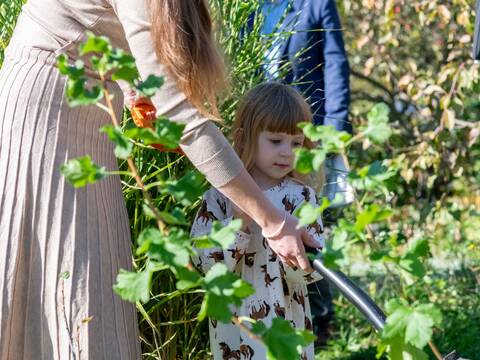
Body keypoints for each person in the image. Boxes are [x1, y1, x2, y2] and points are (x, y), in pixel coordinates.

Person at [0, 1, 321, 359]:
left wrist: (133, 86)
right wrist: (273, 221)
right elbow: (182, 114)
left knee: (90, 279)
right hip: (48, 110)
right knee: (72, 273)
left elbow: (104, 30)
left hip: (85, 112)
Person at [191, 82, 325, 360]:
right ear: (243, 139)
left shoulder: (302, 198)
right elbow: (205, 265)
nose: (287, 152)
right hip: (236, 334)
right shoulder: (220, 198)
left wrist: (299, 257)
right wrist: (238, 226)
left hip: (287, 328)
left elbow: (314, 271)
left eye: (297, 143)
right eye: (276, 141)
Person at [254, 0, 353, 345]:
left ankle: (320, 318)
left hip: (303, 137)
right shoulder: (249, 7)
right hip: (260, 138)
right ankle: (273, 305)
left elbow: (336, 65)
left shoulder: (315, 4)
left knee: (309, 220)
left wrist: (334, 133)